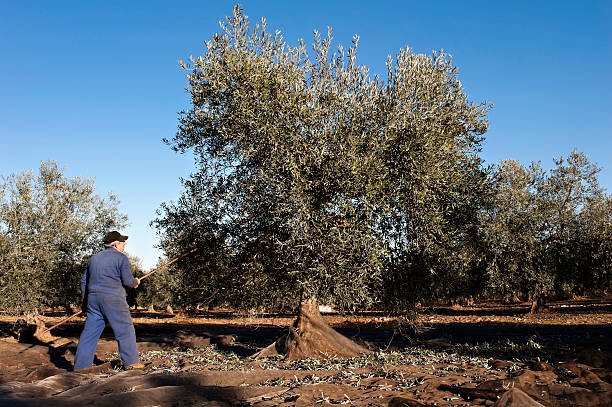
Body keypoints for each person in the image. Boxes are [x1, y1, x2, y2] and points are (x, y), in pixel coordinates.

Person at [73, 231, 144, 370]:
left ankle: (81, 368)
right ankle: (131, 362)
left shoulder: (93, 259)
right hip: (113, 299)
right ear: (116, 244)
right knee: (125, 329)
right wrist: (135, 282)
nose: (125, 244)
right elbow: (128, 281)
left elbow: (83, 282)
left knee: (89, 334)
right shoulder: (121, 258)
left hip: (93, 301)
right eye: (123, 242)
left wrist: (84, 303)